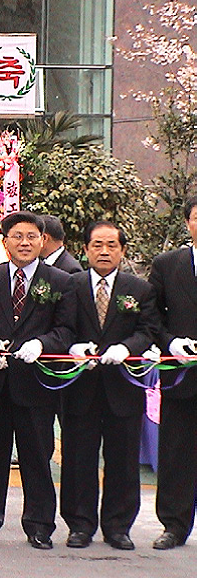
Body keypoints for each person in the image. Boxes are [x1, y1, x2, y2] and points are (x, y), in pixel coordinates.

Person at [0, 210, 75, 550]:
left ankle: (40, 525)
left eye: (31, 237)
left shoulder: (59, 281)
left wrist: (42, 343)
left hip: (36, 385)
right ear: (5, 241)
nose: (24, 243)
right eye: (17, 236)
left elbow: (67, 330)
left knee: (37, 457)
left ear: (43, 240)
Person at [61, 220, 159, 550]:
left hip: (123, 388)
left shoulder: (139, 289)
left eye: (112, 245)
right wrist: (74, 347)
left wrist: (127, 348)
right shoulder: (71, 285)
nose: (104, 251)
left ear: (123, 250)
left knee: (123, 460)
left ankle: (118, 527)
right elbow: (62, 327)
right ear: (85, 249)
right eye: (97, 245)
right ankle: (80, 524)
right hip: (81, 388)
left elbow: (148, 331)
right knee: (78, 458)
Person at [148, 195, 197, 550]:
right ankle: (174, 525)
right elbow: (152, 317)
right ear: (187, 222)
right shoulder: (167, 264)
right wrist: (171, 342)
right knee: (177, 453)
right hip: (182, 376)